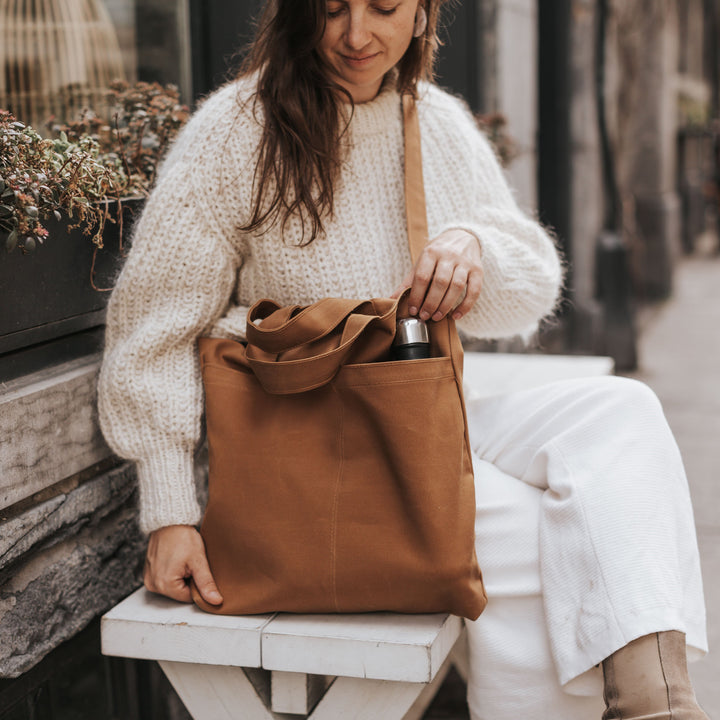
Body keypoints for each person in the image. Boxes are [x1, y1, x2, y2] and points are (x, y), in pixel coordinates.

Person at [97, 1, 710, 717]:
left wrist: (472, 248)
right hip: (308, 455)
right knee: (552, 534)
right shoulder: (238, 131)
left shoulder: (435, 123)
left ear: (421, 14)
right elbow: (153, 329)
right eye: (331, 10)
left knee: (623, 410)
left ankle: (657, 707)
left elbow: (535, 287)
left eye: (384, 7)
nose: (357, 35)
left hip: (420, 418)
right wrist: (169, 511)